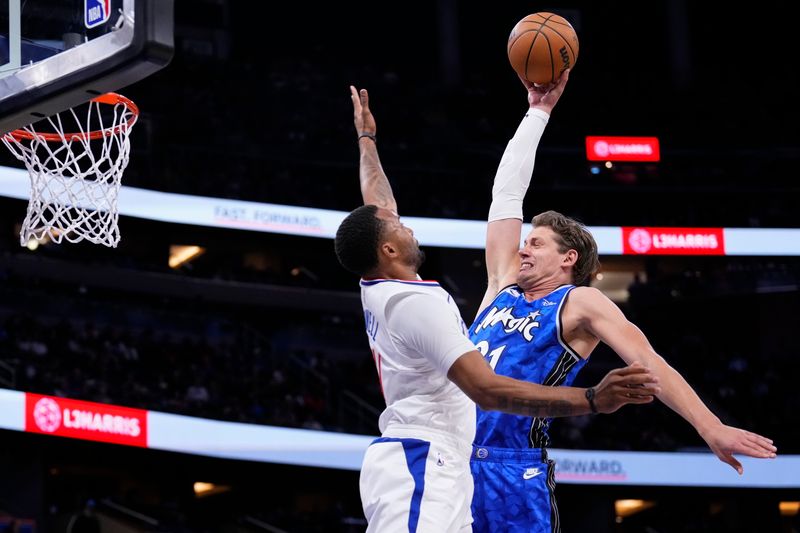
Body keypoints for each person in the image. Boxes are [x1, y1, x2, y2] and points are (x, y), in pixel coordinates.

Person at [334, 85, 662, 533]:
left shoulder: (378, 280)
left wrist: (366, 139)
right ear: (389, 249)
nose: (404, 221)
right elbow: (488, 391)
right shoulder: (416, 304)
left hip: (448, 461)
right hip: (425, 457)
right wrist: (590, 399)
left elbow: (379, 203)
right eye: (398, 226)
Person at [469, 69, 779, 533]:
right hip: (447, 460)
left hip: (509, 468)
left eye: (536, 243)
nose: (522, 248)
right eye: (525, 241)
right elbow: (505, 194)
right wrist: (537, 112)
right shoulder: (501, 286)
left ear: (568, 258)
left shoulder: (580, 303)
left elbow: (649, 360)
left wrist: (709, 426)